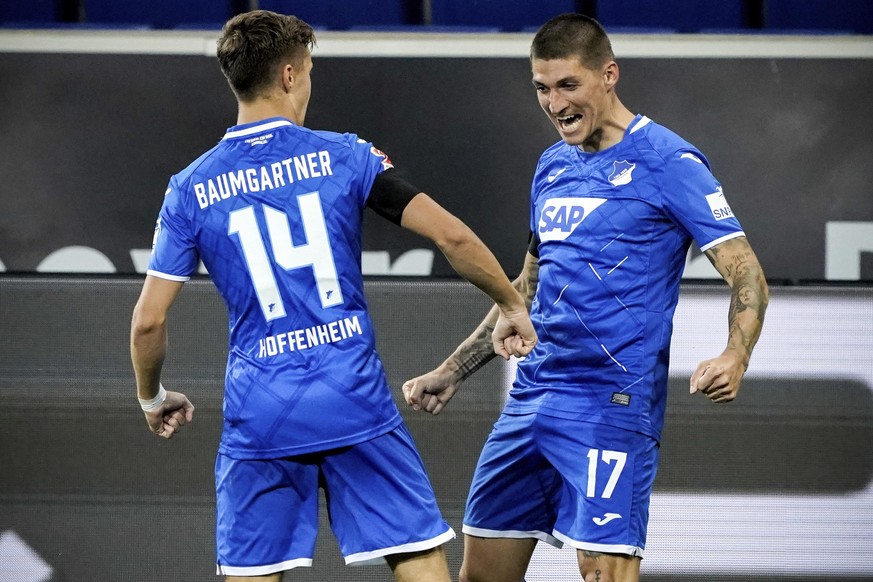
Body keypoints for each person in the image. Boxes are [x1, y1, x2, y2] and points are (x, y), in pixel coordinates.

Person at [129, 10, 536, 582]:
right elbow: (454, 236)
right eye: (311, 70)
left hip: (261, 415)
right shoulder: (346, 155)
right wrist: (512, 304)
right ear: (291, 75)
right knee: (419, 560)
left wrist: (152, 398)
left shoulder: (189, 188)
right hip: (355, 401)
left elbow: (148, 323)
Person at [402, 13, 769, 582]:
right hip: (530, 400)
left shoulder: (672, 162)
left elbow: (746, 273)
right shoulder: (551, 167)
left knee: (604, 575)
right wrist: (451, 371)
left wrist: (734, 354)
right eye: (542, 89)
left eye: (568, 85)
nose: (554, 104)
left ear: (609, 75)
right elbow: (525, 289)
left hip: (610, 407)